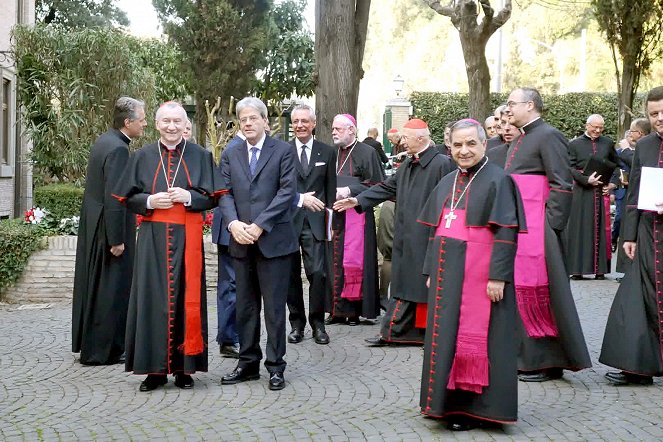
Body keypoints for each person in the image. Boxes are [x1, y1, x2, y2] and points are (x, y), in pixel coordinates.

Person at [417, 119, 526, 431]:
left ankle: (475, 409)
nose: (463, 151)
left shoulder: (498, 180)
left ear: (483, 144)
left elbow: (507, 231)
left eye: (470, 144)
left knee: (481, 339)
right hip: (447, 275)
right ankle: (444, 404)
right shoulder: (448, 180)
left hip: (481, 276)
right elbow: (434, 229)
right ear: (449, 147)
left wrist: (499, 276)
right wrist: (429, 269)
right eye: (457, 145)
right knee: (446, 336)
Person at [114, 101, 221, 392]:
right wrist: (150, 201)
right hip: (152, 237)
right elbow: (127, 196)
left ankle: (185, 370)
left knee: (188, 297)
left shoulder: (200, 155)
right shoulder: (142, 156)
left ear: (184, 124)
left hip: (188, 235)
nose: (171, 127)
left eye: (177, 121)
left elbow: (214, 197)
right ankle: (155, 370)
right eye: (166, 122)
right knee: (152, 299)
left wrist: (188, 197)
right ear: (157, 124)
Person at [334, 118, 453, 346]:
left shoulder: (441, 164)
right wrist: (357, 200)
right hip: (405, 234)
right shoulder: (408, 163)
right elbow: (387, 187)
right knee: (404, 282)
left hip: (426, 235)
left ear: (421, 138)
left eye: (406, 138)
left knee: (418, 285)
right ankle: (396, 332)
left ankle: (404, 332)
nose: (402, 142)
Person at [504, 87, 592, 382]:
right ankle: (528, 358)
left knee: (542, 293)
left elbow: (561, 183)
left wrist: (551, 226)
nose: (507, 110)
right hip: (522, 226)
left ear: (529, 105)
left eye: (511, 104)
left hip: (538, 230)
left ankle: (545, 361)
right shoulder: (524, 137)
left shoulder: (548, 135)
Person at [219, 97, 298, 391]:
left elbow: (287, 191)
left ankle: (276, 366)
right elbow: (223, 192)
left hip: (274, 242)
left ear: (265, 121)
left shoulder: (283, 151)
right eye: (243, 120)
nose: (248, 123)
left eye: (253, 118)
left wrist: (259, 224)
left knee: (275, 309)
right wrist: (234, 224)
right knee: (245, 307)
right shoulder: (231, 153)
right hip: (240, 241)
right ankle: (248, 363)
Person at [72, 96, 146, 365]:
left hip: (97, 224)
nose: (145, 124)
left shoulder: (106, 141)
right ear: (128, 122)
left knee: (100, 288)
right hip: (109, 229)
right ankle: (104, 351)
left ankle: (96, 346)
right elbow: (116, 196)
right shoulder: (118, 150)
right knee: (111, 291)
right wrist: (117, 240)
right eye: (142, 119)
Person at [600, 86, 663, 386]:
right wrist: (629, 235)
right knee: (637, 298)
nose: (660, 118)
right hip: (649, 233)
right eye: (654, 114)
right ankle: (637, 366)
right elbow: (635, 191)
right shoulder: (647, 145)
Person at [328, 113, 385, 325]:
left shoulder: (368, 152)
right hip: (334, 215)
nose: (334, 132)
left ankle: (353, 310)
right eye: (333, 129)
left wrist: (350, 189)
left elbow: (378, 185)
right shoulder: (331, 152)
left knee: (353, 261)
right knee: (333, 261)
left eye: (338, 129)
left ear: (351, 130)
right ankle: (335, 309)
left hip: (357, 216)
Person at [286, 104, 337, 346]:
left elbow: (330, 190)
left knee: (318, 273)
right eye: (295, 121)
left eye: (304, 121)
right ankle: (296, 324)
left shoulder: (326, 152)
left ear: (313, 123)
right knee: (289, 275)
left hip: (315, 223)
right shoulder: (283, 152)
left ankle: (318, 323)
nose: (299, 125)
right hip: (287, 221)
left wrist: (330, 221)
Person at [563, 114, 620, 280]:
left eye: (601, 128)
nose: (597, 130)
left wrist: (612, 184)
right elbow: (569, 167)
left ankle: (600, 269)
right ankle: (577, 270)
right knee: (579, 228)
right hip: (581, 191)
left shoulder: (608, 143)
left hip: (601, 192)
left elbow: (616, 165)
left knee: (601, 229)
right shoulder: (573, 144)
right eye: (594, 127)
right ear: (587, 125)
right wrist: (585, 180)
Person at [211, 131, 246, 359]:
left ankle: (233, 336)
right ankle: (227, 338)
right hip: (230, 229)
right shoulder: (234, 150)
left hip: (240, 228)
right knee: (231, 286)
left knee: (235, 286)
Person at [613, 118, 651, 274]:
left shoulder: (648, 146)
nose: (629, 134)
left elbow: (639, 164)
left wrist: (626, 150)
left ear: (640, 133)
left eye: (632, 131)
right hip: (629, 196)